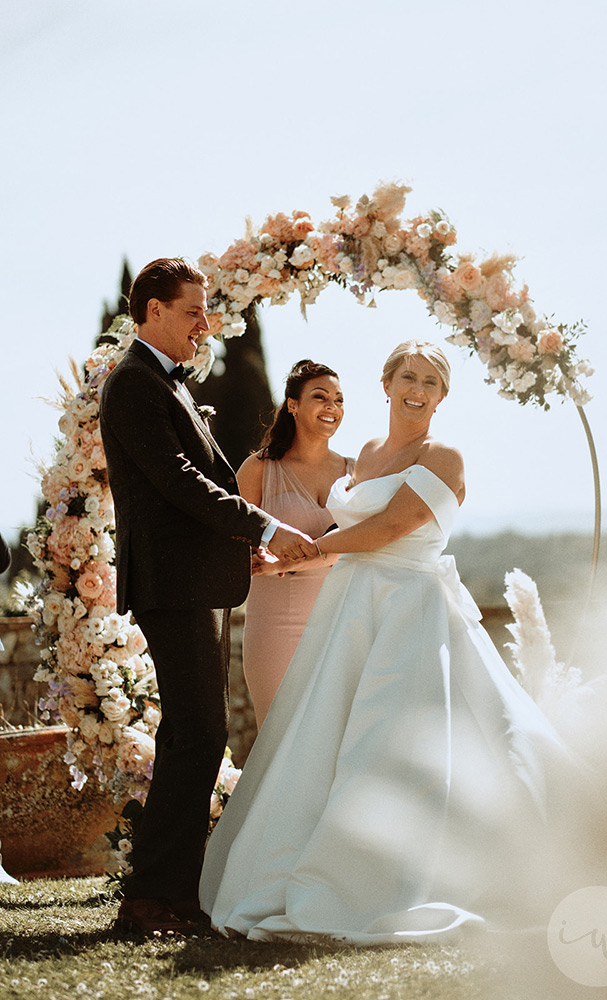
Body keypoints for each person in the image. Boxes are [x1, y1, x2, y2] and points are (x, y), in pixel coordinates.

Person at [199, 340, 572, 944]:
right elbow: (336, 526)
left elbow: (391, 527)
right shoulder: (366, 453)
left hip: (411, 613)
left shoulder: (444, 456)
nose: (417, 389)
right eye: (408, 376)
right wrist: (279, 564)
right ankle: (308, 865)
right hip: (347, 612)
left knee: (392, 739)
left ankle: (398, 876)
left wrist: (312, 552)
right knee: (326, 742)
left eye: (430, 381)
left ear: (443, 395)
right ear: (387, 382)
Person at [99, 258, 316, 936]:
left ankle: (169, 893)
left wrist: (237, 544)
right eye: (192, 311)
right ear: (152, 310)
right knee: (198, 735)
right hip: (172, 586)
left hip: (193, 579)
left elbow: (191, 488)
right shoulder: (134, 384)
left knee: (198, 733)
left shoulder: (164, 384)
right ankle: (154, 899)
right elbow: (177, 480)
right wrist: (264, 524)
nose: (204, 325)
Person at [237, 359, 354, 729]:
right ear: (293, 405)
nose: (331, 407)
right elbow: (229, 536)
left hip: (343, 624)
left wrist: (284, 562)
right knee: (277, 737)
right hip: (276, 624)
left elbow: (359, 545)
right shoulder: (259, 469)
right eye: (320, 397)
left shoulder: (358, 471)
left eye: (338, 399)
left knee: (335, 737)